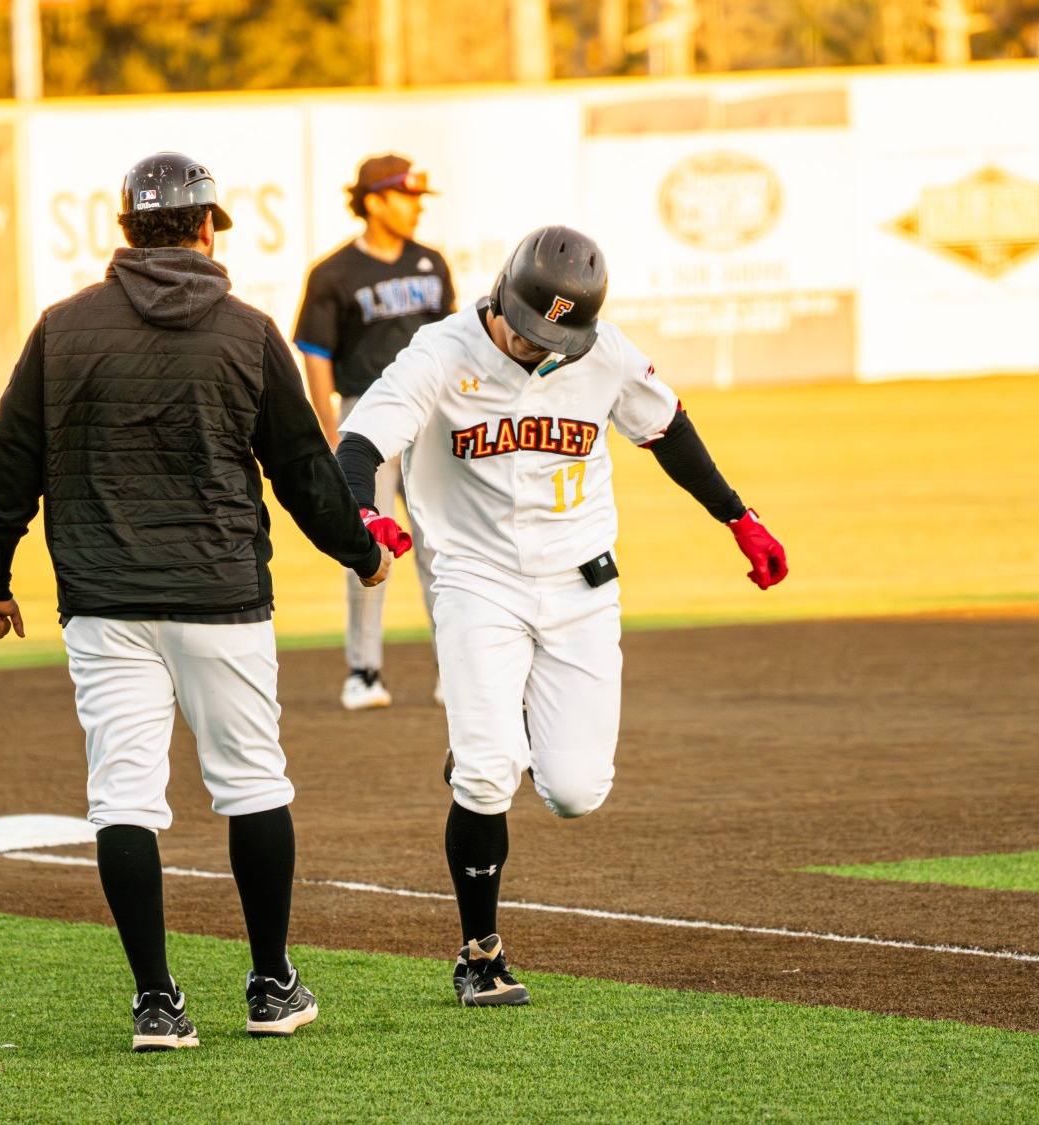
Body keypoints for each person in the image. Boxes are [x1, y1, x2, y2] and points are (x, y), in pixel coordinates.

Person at [0, 151, 406, 1051]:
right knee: (253, 786)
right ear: (207, 230)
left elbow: (10, 460)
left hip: (101, 600)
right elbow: (303, 472)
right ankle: (271, 984)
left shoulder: (62, 329)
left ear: (127, 230)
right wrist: (361, 553)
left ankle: (157, 1002)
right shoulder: (246, 331)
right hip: (220, 596)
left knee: (122, 797)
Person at [334, 226, 787, 1006]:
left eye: (557, 333)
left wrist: (737, 516)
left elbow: (668, 429)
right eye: (527, 325)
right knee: (486, 772)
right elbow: (358, 443)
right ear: (501, 293)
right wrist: (362, 519)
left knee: (577, 791)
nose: (537, 343)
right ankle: (480, 953)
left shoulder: (603, 351)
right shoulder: (439, 353)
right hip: (478, 583)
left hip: (582, 587)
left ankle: (493, 742)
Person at [293, 155, 456, 711]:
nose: (416, 208)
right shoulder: (333, 273)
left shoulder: (432, 263)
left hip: (434, 419)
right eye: (407, 196)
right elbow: (317, 355)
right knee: (369, 541)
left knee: (444, 545)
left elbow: (455, 348)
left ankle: (454, 666)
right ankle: (364, 671)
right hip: (367, 417)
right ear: (375, 200)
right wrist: (332, 432)